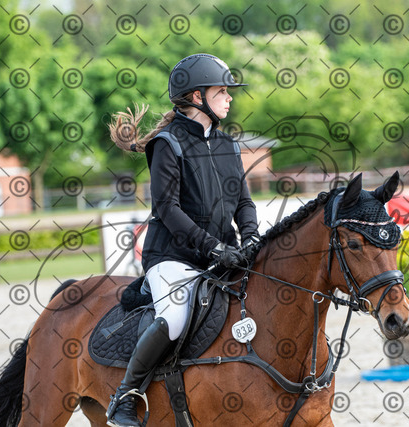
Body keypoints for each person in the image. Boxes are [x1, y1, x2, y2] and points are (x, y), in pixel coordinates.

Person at [105, 54, 260, 427]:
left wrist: (252, 235)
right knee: (174, 317)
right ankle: (125, 396)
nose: (229, 98)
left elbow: (243, 202)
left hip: (222, 255)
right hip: (173, 257)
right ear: (196, 97)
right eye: (222, 91)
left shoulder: (228, 145)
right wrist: (214, 247)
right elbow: (168, 209)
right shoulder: (167, 143)